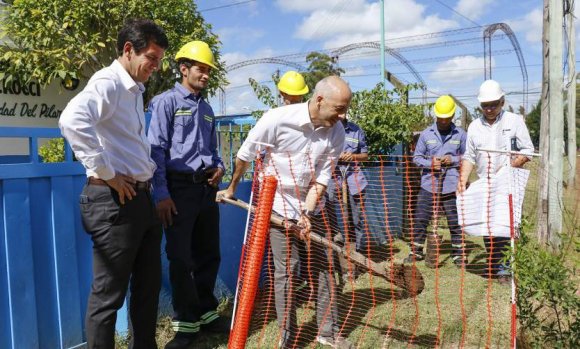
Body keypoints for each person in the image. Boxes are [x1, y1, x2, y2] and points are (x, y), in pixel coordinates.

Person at [217, 76, 354, 349]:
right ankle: (287, 335)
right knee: (286, 271)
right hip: (276, 205)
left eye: (345, 109)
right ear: (319, 100)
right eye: (338, 108)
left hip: (314, 206)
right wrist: (232, 187)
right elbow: (244, 154)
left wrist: (307, 211)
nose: (343, 115)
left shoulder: (336, 131)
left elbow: (323, 177)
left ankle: (327, 332)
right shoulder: (277, 119)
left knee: (325, 268)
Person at [59, 19, 168, 349]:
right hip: (114, 201)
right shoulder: (109, 82)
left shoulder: (134, 90)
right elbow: (72, 120)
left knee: (147, 289)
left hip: (140, 199)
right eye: (151, 57)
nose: (155, 66)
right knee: (108, 299)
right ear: (128, 50)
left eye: (159, 60)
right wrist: (106, 172)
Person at [147, 41, 227, 348]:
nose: (205, 75)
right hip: (178, 190)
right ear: (184, 69)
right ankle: (185, 325)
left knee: (209, 253)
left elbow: (213, 151)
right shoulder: (165, 102)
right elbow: (155, 150)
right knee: (180, 258)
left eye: (208, 71)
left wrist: (218, 168)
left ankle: (207, 313)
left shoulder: (207, 110)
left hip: (206, 189)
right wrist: (162, 194)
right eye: (200, 69)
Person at [457, 80, 533, 282]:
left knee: (506, 226)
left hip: (509, 183)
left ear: (502, 101)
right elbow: (470, 156)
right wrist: (463, 178)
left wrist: (511, 165)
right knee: (488, 225)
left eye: (493, 104)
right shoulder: (474, 126)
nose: (489, 109)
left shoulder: (514, 121)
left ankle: (505, 269)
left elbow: (528, 151)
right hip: (486, 183)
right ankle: (493, 264)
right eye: (485, 105)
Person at [404, 95, 467, 266]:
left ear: (453, 116)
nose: (444, 121)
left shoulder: (460, 135)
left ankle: (458, 254)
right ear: (436, 115)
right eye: (441, 117)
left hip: (451, 185)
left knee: (455, 220)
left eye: (447, 118)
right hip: (428, 185)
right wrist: (431, 163)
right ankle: (416, 251)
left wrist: (452, 160)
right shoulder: (426, 134)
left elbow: (468, 158)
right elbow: (416, 158)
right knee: (421, 218)